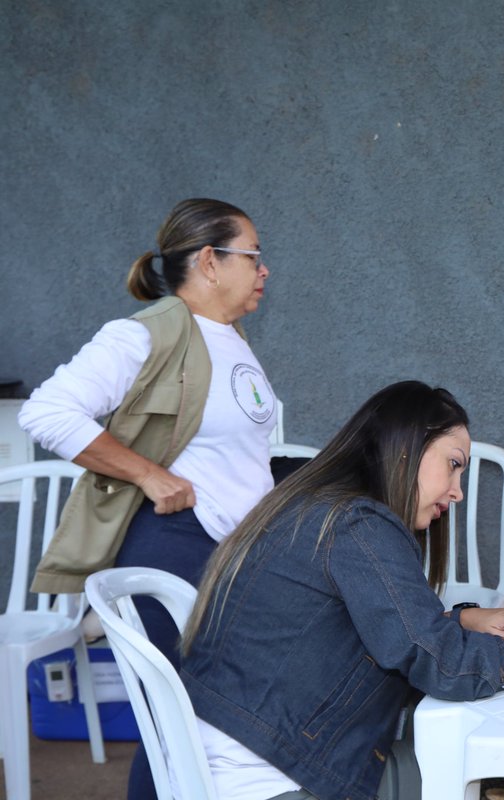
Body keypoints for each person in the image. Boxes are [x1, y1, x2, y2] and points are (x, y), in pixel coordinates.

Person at [179, 380, 504, 800]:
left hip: (245, 756)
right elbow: (447, 668)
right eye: (453, 464)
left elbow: (363, 630)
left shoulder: (319, 507)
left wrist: (461, 619)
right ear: (407, 445)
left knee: (470, 765)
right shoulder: (357, 524)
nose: (458, 491)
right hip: (280, 778)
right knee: (470, 765)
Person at [19, 198, 274, 799]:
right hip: (177, 550)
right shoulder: (146, 333)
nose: (265, 270)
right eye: (254, 256)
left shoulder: (227, 336)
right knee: (176, 724)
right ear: (210, 262)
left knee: (205, 725)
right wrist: (148, 475)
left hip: (228, 556)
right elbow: (48, 411)